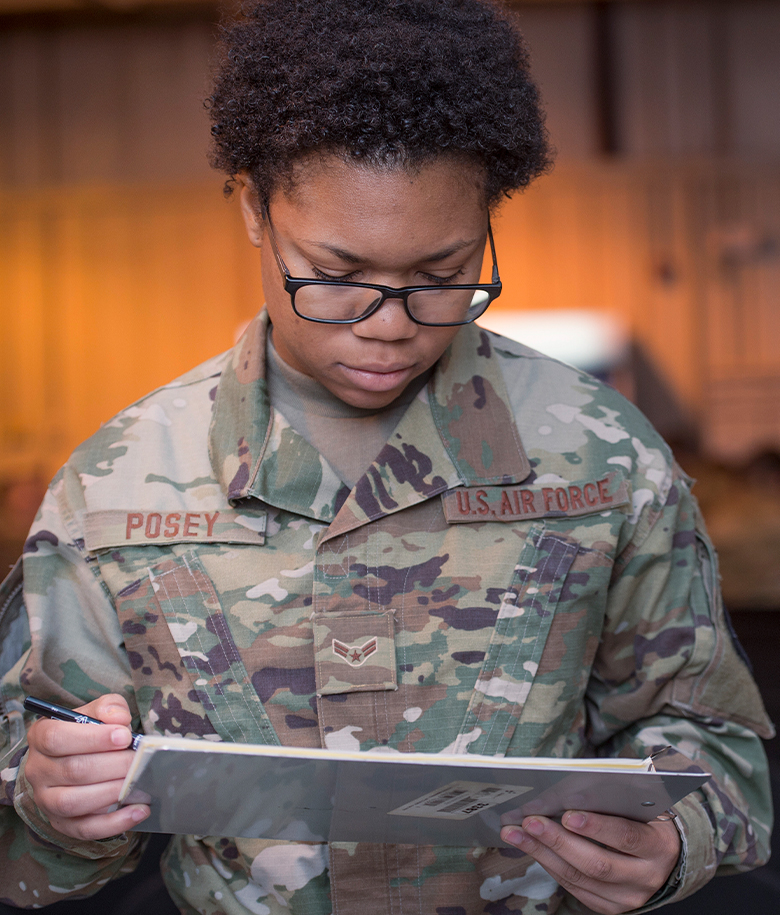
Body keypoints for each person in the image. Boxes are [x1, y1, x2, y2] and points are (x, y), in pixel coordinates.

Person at [0, 1, 773, 913]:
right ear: (253, 208)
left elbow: (722, 751)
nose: (391, 326)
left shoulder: (603, 459)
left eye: (442, 276)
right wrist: (53, 805)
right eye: (335, 274)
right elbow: (28, 854)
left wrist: (676, 837)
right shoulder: (113, 486)